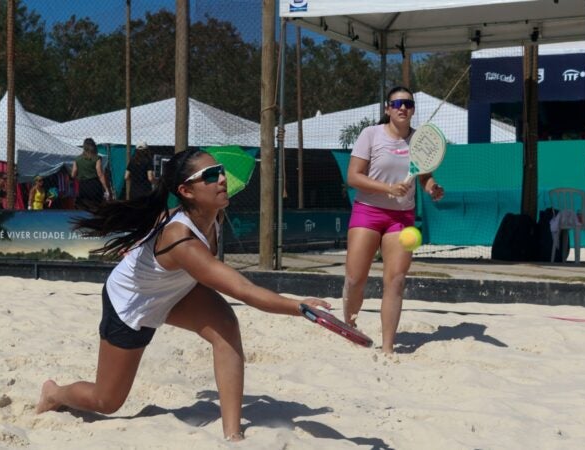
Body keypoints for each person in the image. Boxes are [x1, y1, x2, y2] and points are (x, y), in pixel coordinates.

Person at [35, 149, 330, 442]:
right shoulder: (183, 241)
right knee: (107, 401)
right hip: (132, 303)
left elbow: (166, 218)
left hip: (174, 290)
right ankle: (54, 393)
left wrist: (146, 236)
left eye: (222, 171)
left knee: (226, 327)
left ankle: (232, 434)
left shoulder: (209, 213)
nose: (222, 179)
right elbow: (245, 290)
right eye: (211, 175)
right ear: (186, 190)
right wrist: (299, 306)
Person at [341, 86, 444, 353]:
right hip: (368, 210)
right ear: (387, 108)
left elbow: (423, 175)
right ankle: (349, 325)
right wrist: (387, 188)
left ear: (412, 110)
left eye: (408, 104)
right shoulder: (371, 134)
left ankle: (388, 347)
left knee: (396, 279)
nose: (402, 108)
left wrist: (431, 187)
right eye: (397, 103)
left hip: (401, 216)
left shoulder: (419, 141)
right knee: (354, 279)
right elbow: (353, 177)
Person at [72, 138, 111, 210]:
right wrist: (106, 188)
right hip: (94, 184)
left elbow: (73, 173)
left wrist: (78, 176)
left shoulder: (77, 159)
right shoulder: (97, 158)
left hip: (82, 185)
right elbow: (100, 174)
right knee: (96, 206)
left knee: (83, 206)